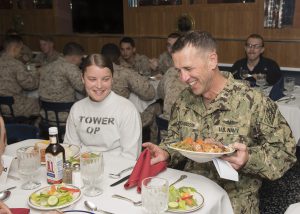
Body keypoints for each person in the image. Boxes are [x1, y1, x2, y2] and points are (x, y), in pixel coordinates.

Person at [143, 31, 296, 213]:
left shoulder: (252, 101)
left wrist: (248, 158)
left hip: (234, 201)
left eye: (189, 69)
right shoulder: (184, 100)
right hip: (192, 194)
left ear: (212, 60)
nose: (183, 78)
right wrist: (166, 152)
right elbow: (176, 139)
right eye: (179, 70)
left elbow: (285, 153)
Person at [64, 54, 142, 160]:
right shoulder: (77, 108)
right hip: (82, 169)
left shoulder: (127, 109)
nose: (99, 86)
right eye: (92, 79)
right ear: (83, 79)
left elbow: (131, 157)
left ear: (112, 79)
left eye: (105, 79)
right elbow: (70, 149)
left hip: (116, 172)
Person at [38, 42, 85, 123]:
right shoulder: (70, 68)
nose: (81, 61)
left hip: (45, 114)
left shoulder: (47, 66)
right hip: (64, 114)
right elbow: (84, 88)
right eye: (80, 58)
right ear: (74, 58)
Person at [0, 35, 40, 118]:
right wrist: (36, 73)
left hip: (1, 108)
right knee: (40, 102)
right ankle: (32, 129)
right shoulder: (16, 64)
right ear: (15, 48)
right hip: (15, 106)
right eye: (21, 48)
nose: (21, 52)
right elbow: (30, 85)